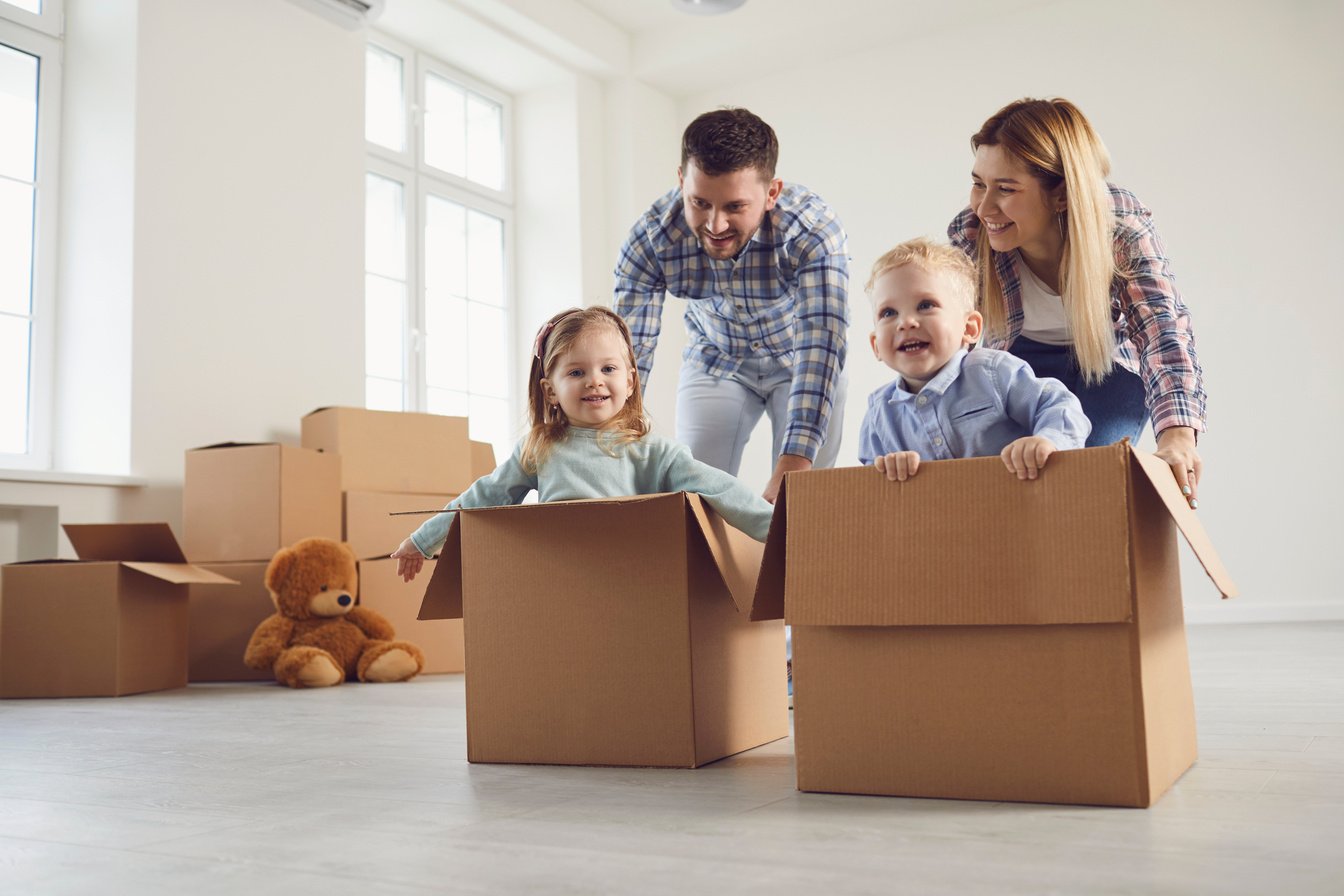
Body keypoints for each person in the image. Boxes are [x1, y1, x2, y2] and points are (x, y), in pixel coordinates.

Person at [390, 307, 774, 583]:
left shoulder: (655, 453)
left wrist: (780, 531)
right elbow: (483, 495)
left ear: (630, 381)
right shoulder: (539, 448)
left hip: (633, 582)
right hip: (559, 581)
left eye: (608, 369)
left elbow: (721, 489)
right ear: (551, 391)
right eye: (576, 372)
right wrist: (422, 541)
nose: (595, 381)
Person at [948, 97, 1206, 508]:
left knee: (1081, 480)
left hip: (1102, 368)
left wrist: (1177, 437)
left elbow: (1162, 330)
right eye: (979, 183)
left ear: (1061, 196)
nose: (984, 207)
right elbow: (954, 343)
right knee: (998, 479)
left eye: (1006, 189)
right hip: (1016, 365)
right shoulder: (972, 232)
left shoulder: (1119, 227)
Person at [613, 107, 850, 504]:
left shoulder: (813, 230)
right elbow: (627, 353)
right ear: (681, 181)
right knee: (694, 497)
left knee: (804, 501)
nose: (715, 225)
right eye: (700, 202)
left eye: (735, 207)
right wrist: (607, 445)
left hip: (801, 361)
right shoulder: (651, 238)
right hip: (715, 358)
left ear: (772, 193)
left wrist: (793, 463)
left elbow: (822, 342)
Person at [859, 238, 1090, 481]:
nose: (906, 322)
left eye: (925, 305)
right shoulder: (879, 416)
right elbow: (869, 490)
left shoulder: (992, 373)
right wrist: (887, 471)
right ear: (876, 345)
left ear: (969, 328)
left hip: (1016, 507)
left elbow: (1059, 405)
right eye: (888, 313)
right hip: (936, 517)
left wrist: (1046, 441)